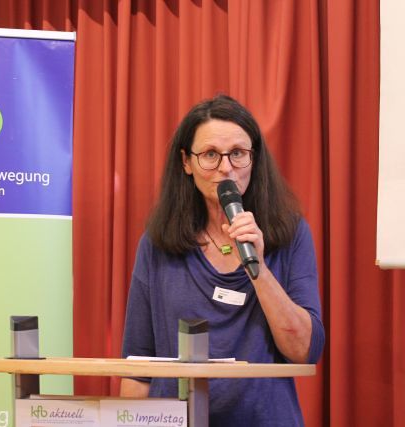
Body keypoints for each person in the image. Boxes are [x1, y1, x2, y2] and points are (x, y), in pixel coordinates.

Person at [120, 94, 325, 426]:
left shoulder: (290, 235)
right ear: (186, 162)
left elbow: (304, 349)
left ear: (254, 159)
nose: (226, 167)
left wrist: (259, 268)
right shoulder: (158, 244)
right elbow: (138, 364)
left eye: (238, 153)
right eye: (211, 155)